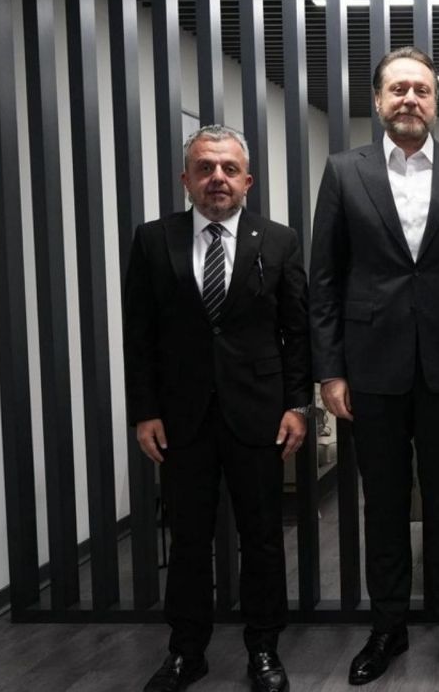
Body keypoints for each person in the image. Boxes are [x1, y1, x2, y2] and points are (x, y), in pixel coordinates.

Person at [308, 46, 439, 685]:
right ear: (377, 100)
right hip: (372, 371)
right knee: (385, 506)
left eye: (421, 89)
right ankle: (388, 627)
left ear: (435, 102)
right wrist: (330, 371)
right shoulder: (345, 171)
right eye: (397, 89)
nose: (409, 99)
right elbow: (324, 280)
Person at [124, 124, 311, 692]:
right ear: (186, 179)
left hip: (258, 414)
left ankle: (264, 648)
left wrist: (298, 406)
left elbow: (297, 331)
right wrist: (144, 411)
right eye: (205, 168)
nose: (217, 178)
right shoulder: (153, 239)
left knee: (262, 537)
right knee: (187, 540)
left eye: (229, 168)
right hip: (182, 419)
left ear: (248, 181)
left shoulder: (278, 241)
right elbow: (139, 334)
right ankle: (186, 651)